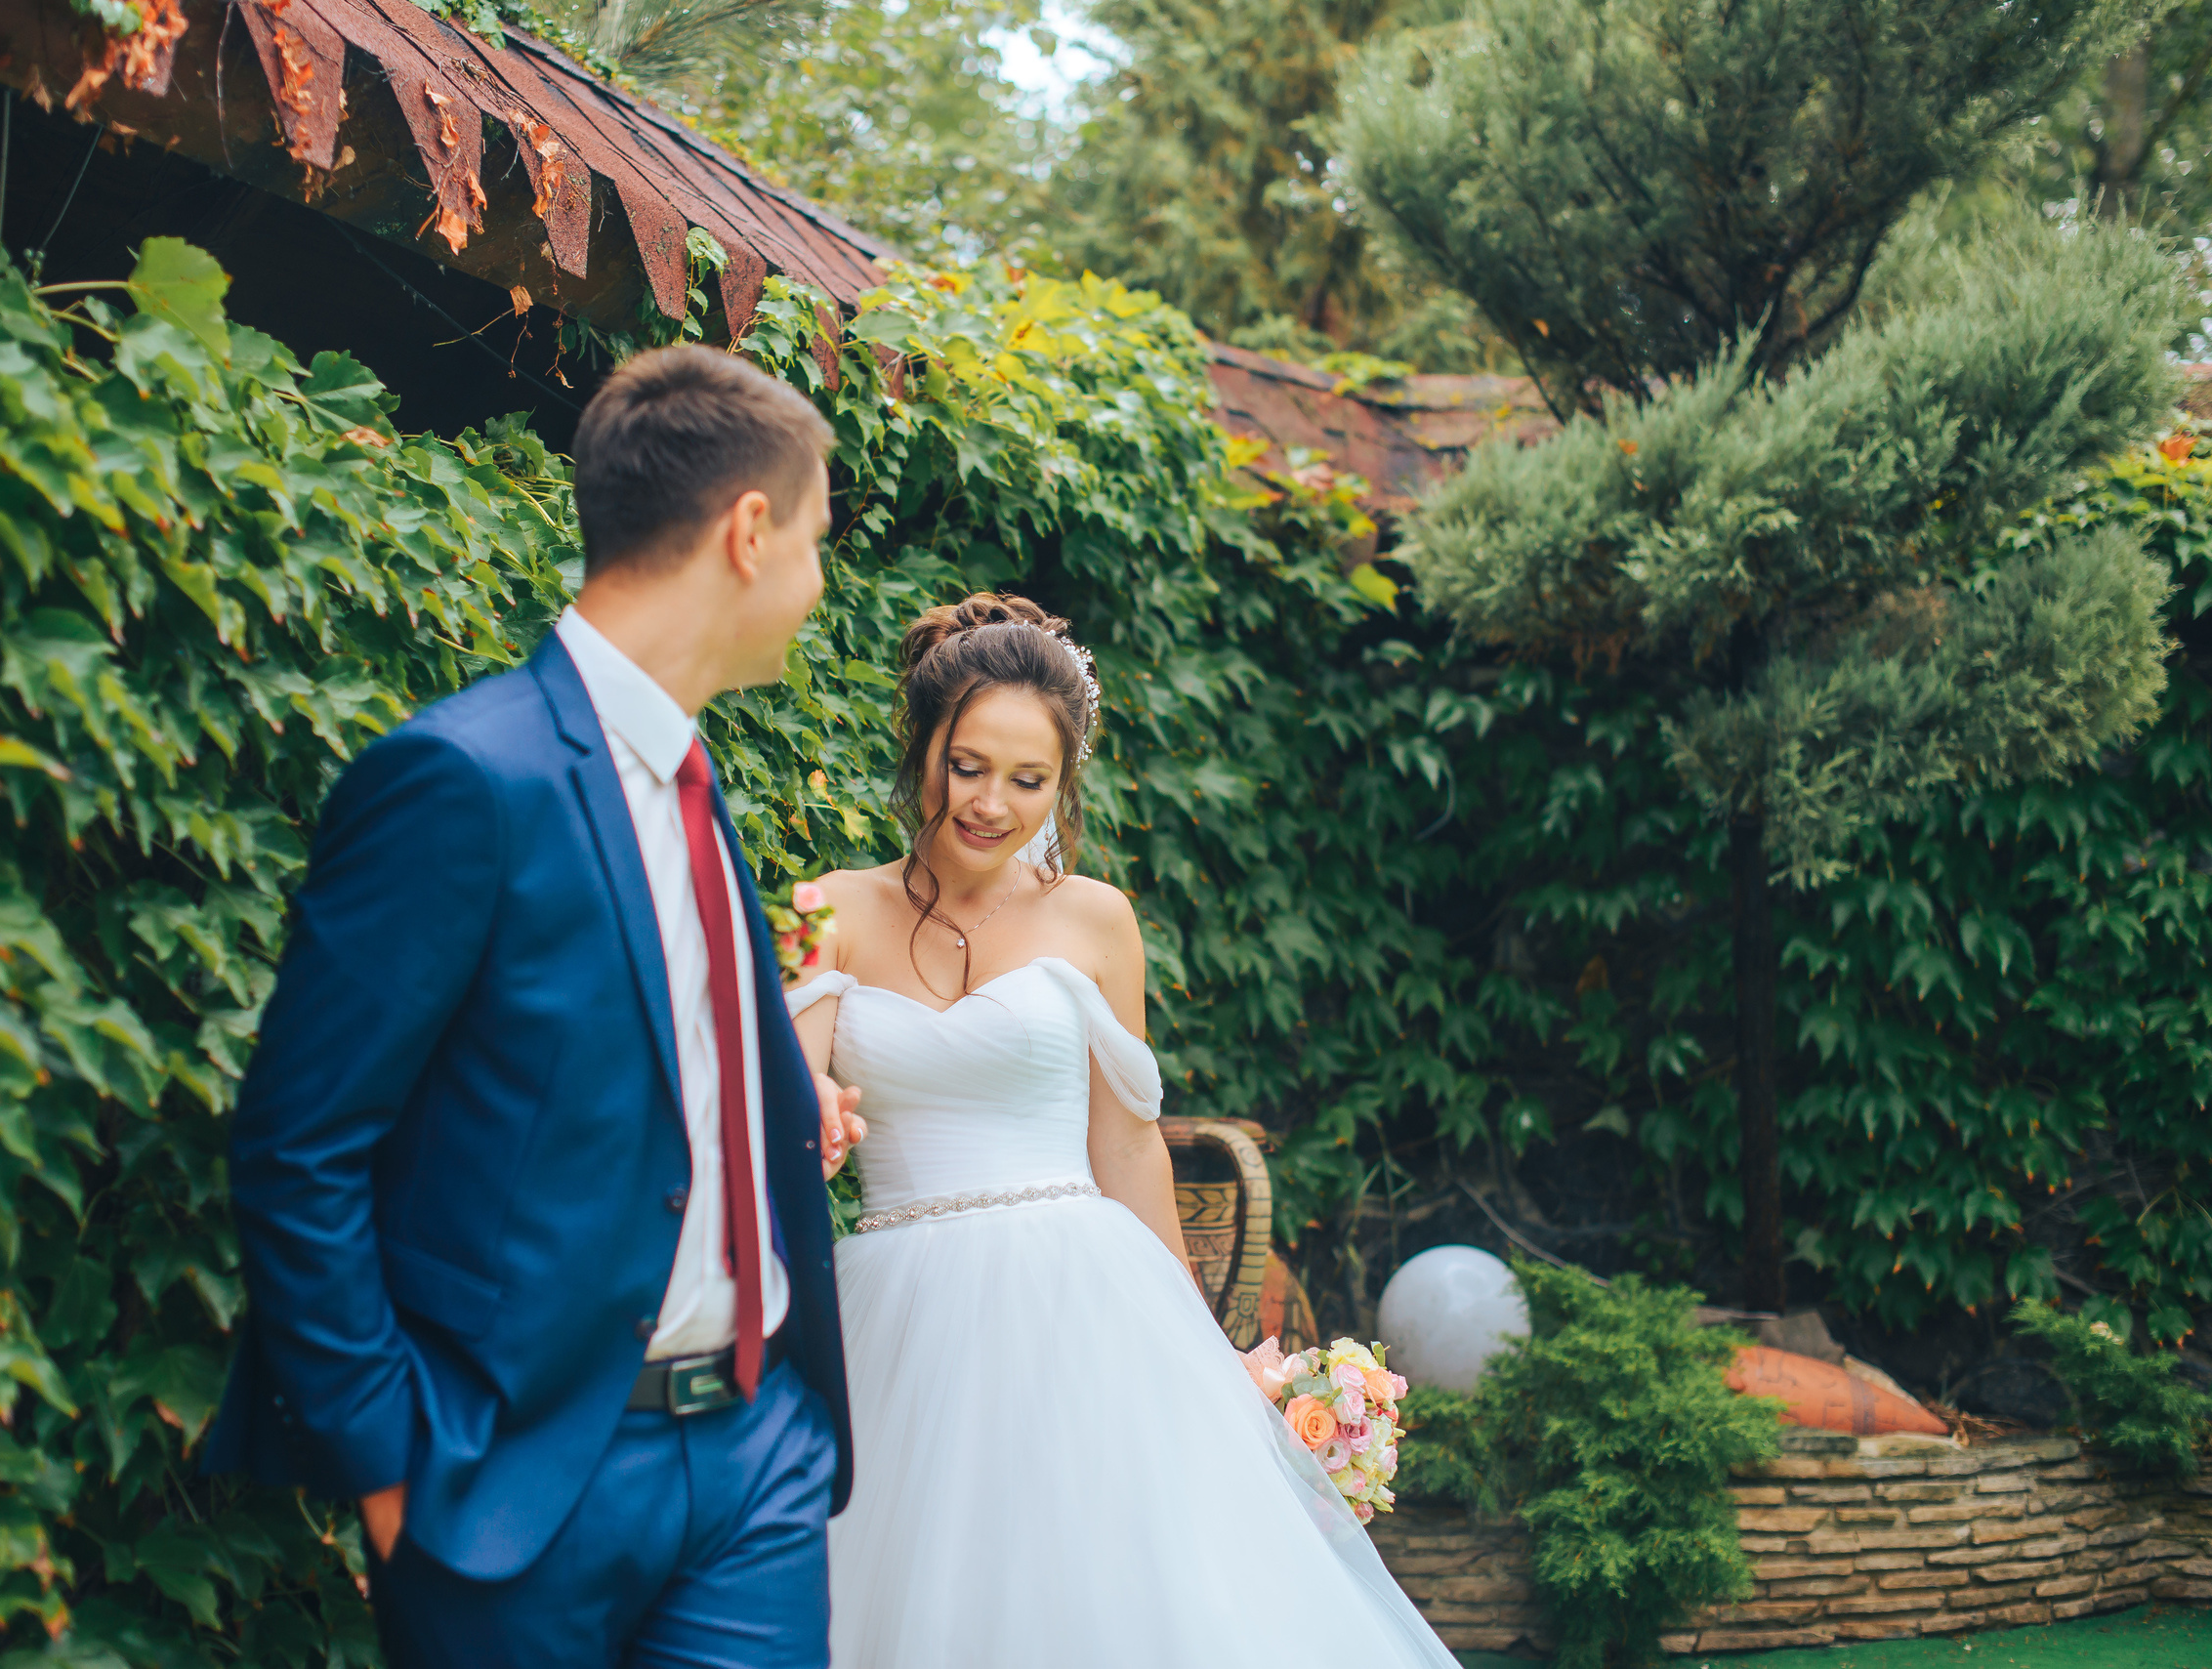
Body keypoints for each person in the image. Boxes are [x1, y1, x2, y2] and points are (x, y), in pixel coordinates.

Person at [203, 345, 869, 1668]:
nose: (818, 580)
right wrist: (388, 1459)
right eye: (815, 539)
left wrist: (763, 1121)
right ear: (749, 532)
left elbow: (616, 1059)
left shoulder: (691, 772)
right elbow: (299, 1141)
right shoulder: (461, 778)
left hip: (754, 1463)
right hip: (510, 1485)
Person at [785, 594, 1466, 1667]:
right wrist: (808, 1112)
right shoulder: (823, 909)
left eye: (1029, 778)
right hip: (899, 1317)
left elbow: (1127, 1144)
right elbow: (786, 1099)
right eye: (967, 765)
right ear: (921, 748)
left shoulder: (1094, 916)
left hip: (1084, 1298)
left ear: (1063, 783)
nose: (992, 804)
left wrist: (1210, 1348)